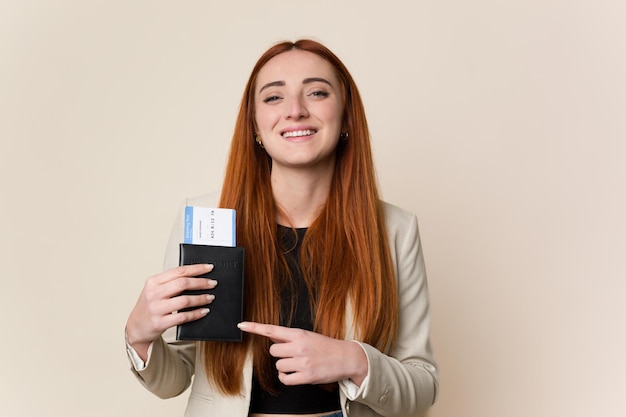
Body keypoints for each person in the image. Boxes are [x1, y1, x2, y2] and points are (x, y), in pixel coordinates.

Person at [125, 39, 438, 417]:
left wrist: (355, 360)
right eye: (274, 98)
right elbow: (173, 379)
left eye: (317, 92)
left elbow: (422, 386)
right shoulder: (207, 217)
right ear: (255, 125)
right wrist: (139, 336)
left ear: (346, 117)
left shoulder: (395, 229)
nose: (295, 111)